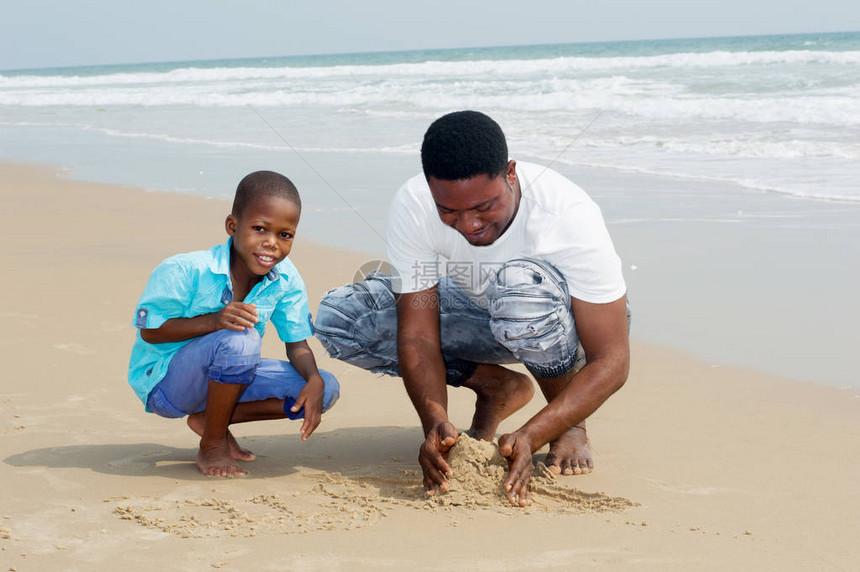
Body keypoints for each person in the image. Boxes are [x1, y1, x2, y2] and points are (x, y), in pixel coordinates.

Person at [315, 110, 630, 506]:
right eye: (449, 211)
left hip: (567, 322)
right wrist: (434, 423)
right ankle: (497, 386)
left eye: (484, 206)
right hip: (483, 307)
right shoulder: (414, 202)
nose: (468, 225)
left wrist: (534, 434)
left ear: (510, 173)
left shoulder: (565, 213)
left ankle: (570, 424)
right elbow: (416, 334)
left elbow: (612, 359)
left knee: (519, 293)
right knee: (342, 319)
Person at [128, 170, 339, 478]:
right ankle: (213, 444)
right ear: (233, 226)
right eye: (259, 229)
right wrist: (214, 321)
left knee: (325, 387)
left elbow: (296, 343)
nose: (271, 244)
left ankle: (209, 420)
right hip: (166, 384)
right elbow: (151, 331)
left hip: (228, 377)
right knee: (242, 338)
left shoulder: (286, 278)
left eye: (285, 235)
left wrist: (314, 378)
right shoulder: (184, 270)